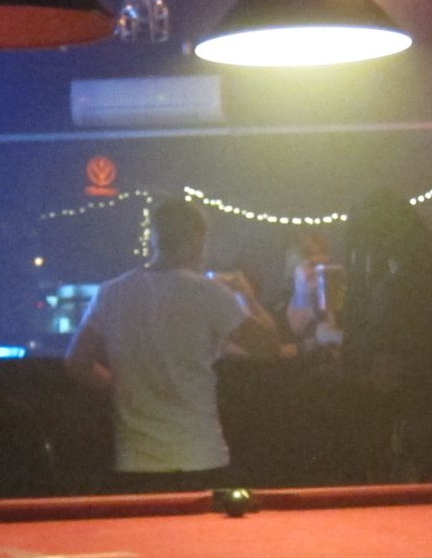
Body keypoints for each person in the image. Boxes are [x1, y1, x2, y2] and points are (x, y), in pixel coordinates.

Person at [65, 198, 277, 491]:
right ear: (198, 239)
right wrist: (247, 296)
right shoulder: (210, 293)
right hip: (201, 456)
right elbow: (269, 347)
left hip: (135, 462)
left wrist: (122, 388)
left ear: (155, 237)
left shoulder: (111, 293)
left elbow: (77, 362)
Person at [342, 190, 432, 483]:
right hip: (427, 397)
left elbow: (384, 340)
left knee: (404, 477)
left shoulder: (402, 282)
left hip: (407, 401)